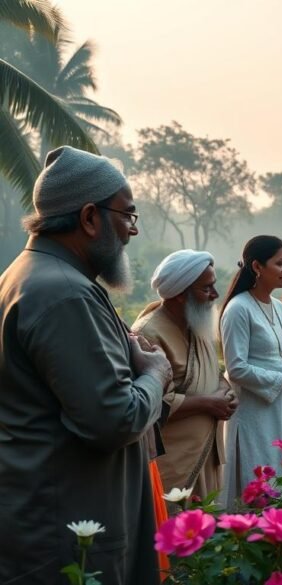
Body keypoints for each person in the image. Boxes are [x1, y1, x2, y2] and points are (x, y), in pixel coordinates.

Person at [0, 146, 172, 584]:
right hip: (70, 536)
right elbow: (113, 418)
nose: (132, 232)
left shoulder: (29, 276)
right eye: (128, 216)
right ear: (90, 217)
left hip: (52, 519)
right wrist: (155, 374)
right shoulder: (64, 294)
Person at [219, 236, 282, 506]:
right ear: (257, 266)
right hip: (257, 413)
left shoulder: (278, 307)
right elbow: (236, 368)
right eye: (280, 263)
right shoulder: (238, 308)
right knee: (261, 482)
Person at [132, 249, 237, 499]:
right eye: (206, 288)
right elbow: (147, 402)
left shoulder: (197, 323)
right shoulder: (147, 334)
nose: (215, 294)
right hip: (174, 460)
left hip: (206, 451)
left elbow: (213, 373)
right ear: (180, 294)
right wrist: (208, 403)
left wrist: (226, 392)